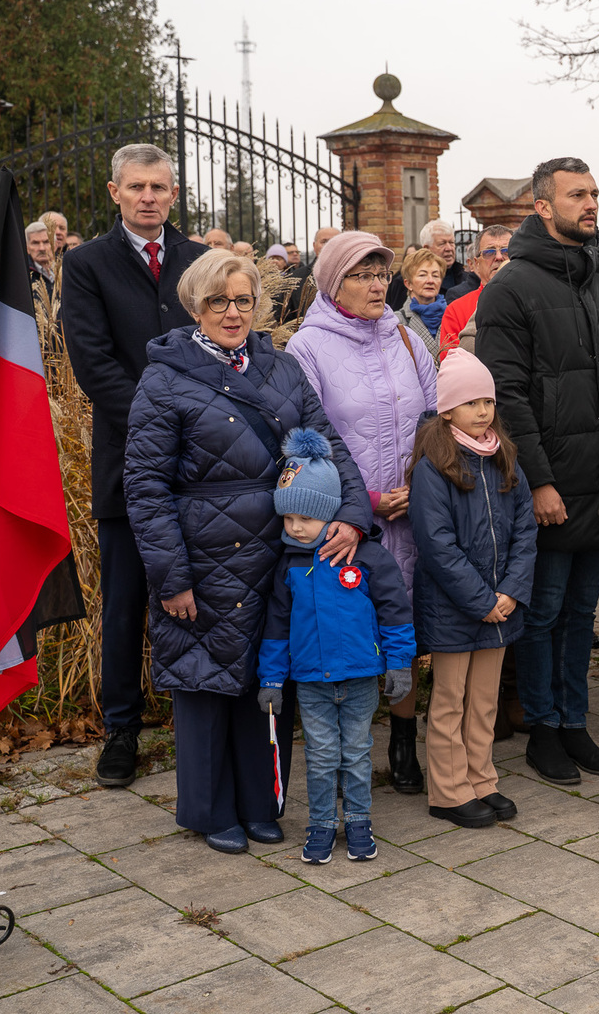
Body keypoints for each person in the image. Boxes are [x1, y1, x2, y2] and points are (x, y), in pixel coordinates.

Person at [124, 251, 371, 854]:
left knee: (268, 675)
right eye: (219, 301)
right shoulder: (164, 378)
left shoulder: (281, 367)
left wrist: (353, 515)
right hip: (204, 551)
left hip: (280, 550)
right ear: (195, 306)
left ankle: (262, 802)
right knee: (207, 680)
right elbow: (145, 485)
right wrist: (171, 576)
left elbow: (328, 443)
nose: (232, 313)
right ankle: (210, 811)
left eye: (243, 300)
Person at [475, 157, 599, 785]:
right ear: (543, 206)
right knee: (542, 612)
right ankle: (542, 730)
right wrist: (540, 481)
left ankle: (575, 722)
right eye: (577, 194)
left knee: (582, 615)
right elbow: (507, 396)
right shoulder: (511, 287)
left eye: (594, 193)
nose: (591, 203)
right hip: (549, 484)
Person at [59, 143, 209, 789]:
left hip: (205, 461)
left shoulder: (200, 259)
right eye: (136, 186)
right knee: (124, 602)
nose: (148, 197)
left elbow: (219, 344)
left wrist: (201, 424)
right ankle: (121, 728)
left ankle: (202, 713)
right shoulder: (86, 263)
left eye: (159, 186)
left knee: (205, 590)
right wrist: (162, 422)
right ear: (115, 192)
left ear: (173, 193)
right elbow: (92, 362)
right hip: (128, 459)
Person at [284, 231, 438, 794]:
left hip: (412, 515)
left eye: (381, 274)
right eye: (362, 276)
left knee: (405, 627)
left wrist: (419, 482)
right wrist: (365, 501)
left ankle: (403, 743)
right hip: (348, 523)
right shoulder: (306, 348)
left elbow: (435, 418)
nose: (377, 286)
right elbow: (304, 441)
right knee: (346, 633)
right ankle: (344, 753)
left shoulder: (406, 338)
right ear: (333, 283)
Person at [258, 428, 416, 862]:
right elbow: (276, 626)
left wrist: (399, 663)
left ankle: (359, 820)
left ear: (330, 512)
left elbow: (396, 613)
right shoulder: (289, 566)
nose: (295, 528)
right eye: (288, 519)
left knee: (357, 753)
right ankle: (322, 823)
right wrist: (271, 678)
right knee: (322, 754)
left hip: (361, 677)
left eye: (305, 519)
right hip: (312, 681)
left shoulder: (368, 557)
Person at [409, 349, 537, 828]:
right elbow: (436, 545)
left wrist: (511, 591)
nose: (483, 411)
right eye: (470, 403)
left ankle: (481, 779)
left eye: (488, 401)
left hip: (500, 605)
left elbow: (525, 529)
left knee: (484, 700)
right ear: (447, 411)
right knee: (450, 701)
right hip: (455, 608)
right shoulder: (434, 467)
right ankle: (448, 790)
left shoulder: (504, 457)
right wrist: (480, 600)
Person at [439, 225, 514, 358]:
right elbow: (453, 363)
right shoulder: (456, 311)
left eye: (506, 251)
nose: (498, 257)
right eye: (489, 252)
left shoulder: (534, 299)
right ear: (476, 264)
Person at [396, 248, 446, 362]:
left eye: (435, 275)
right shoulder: (397, 321)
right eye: (422, 275)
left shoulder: (453, 316)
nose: (430, 280)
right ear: (408, 283)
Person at [417, 219, 469, 298]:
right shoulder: (413, 280)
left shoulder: (466, 278)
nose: (449, 248)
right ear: (427, 248)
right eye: (442, 244)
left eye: (451, 242)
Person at [25, 220, 55, 294]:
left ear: (54, 245)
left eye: (46, 242)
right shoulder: (23, 275)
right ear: (27, 248)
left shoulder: (65, 269)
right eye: (35, 243)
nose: (42, 248)